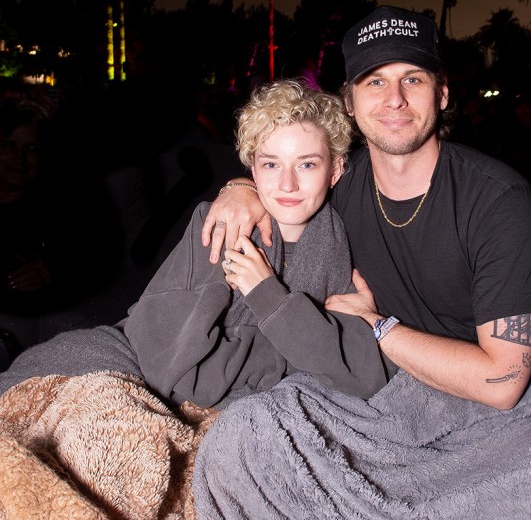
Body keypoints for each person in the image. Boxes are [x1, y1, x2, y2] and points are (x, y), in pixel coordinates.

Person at [201, 6, 531, 410]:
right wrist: (239, 186)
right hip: (370, 383)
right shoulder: (339, 180)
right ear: (349, 100)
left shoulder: (499, 201)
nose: (394, 100)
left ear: (443, 92)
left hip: (469, 398)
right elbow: (281, 167)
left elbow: (500, 383)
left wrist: (379, 326)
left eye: (412, 79)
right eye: (375, 81)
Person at [123, 79, 391, 408]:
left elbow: (365, 375)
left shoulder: (343, 244)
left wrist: (267, 296)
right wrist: (301, 347)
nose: (287, 184)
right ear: (253, 169)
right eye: (271, 164)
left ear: (334, 171)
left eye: (307, 164)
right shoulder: (222, 225)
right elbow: (174, 370)